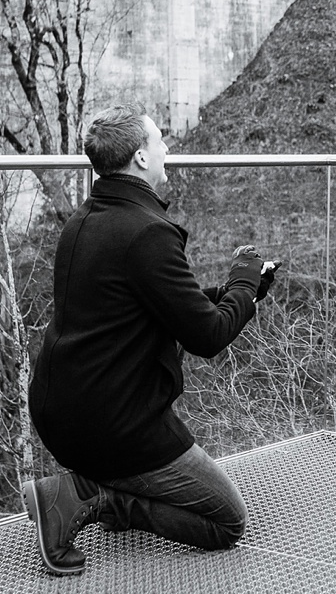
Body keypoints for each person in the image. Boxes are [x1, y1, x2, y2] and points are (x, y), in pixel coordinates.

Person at [24, 103, 278, 576]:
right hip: (113, 424)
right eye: (160, 140)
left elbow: (146, 308)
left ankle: (95, 488)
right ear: (141, 157)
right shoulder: (147, 233)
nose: (167, 149)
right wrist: (244, 282)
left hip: (62, 410)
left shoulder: (84, 221)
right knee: (226, 521)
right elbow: (207, 335)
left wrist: (232, 292)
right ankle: (94, 498)